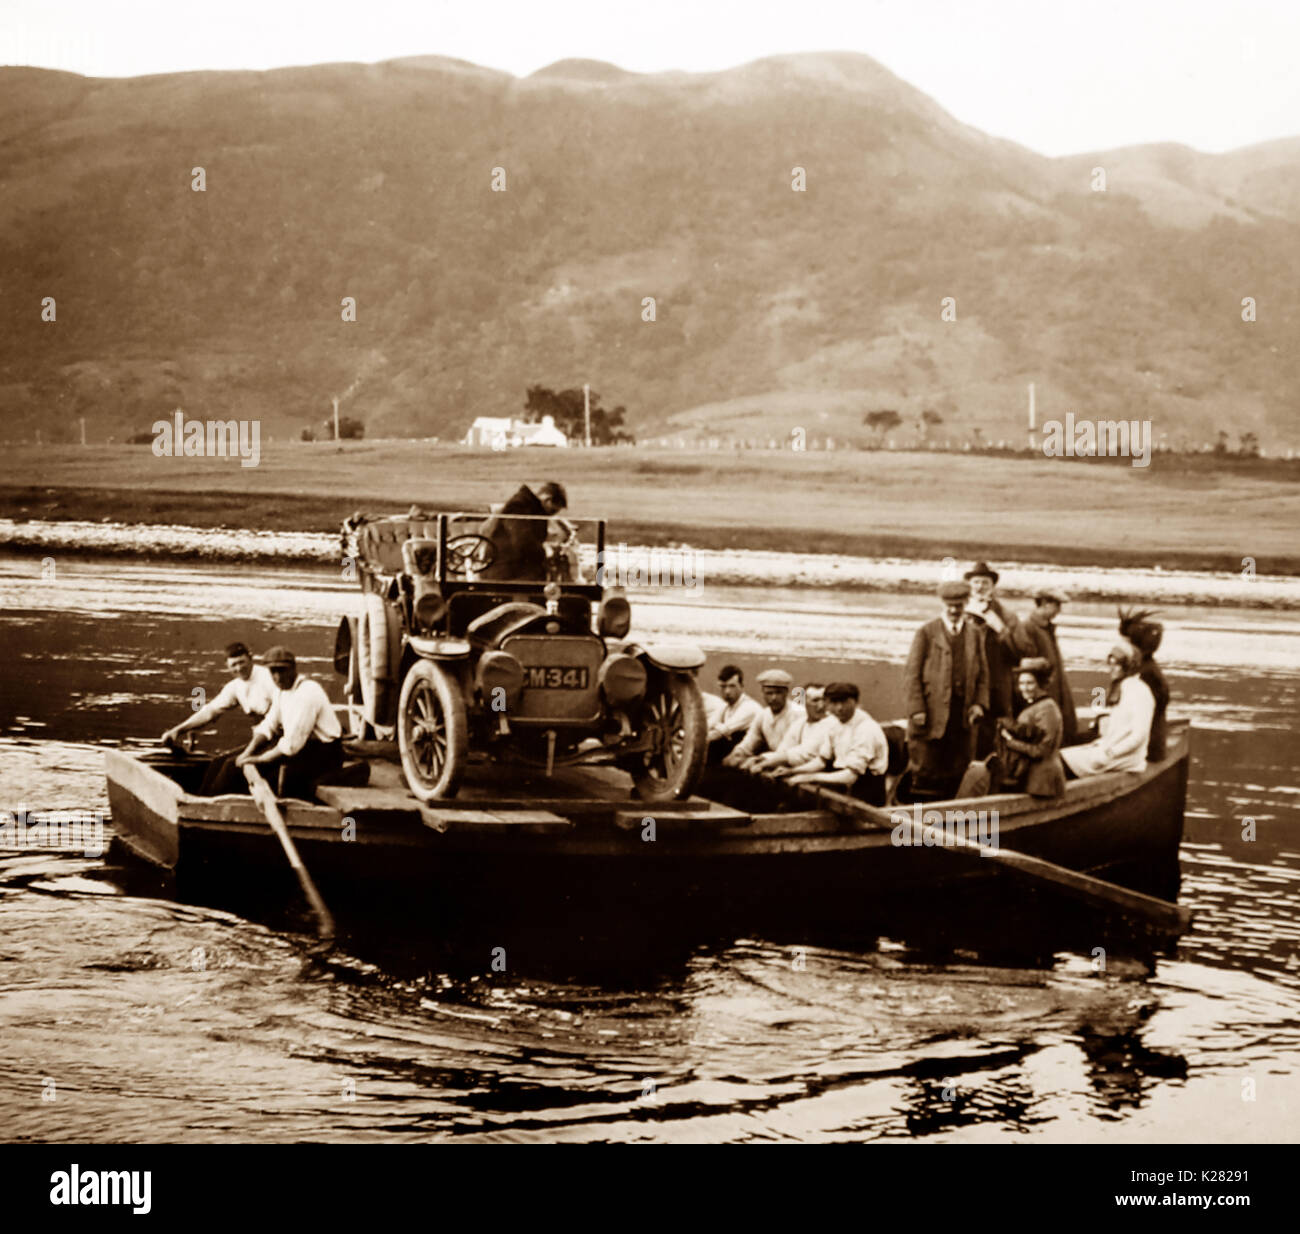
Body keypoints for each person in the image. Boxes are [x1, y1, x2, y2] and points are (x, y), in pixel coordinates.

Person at [204, 646, 344, 798]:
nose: (278, 677)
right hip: (301, 749)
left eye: (282, 670)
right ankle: (203, 801)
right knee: (222, 763)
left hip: (323, 755)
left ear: (293, 668)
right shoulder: (280, 691)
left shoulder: (307, 693)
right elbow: (268, 725)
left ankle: (213, 807)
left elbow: (291, 745)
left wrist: (258, 759)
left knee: (246, 773)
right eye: (273, 672)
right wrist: (247, 752)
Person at [904, 580, 990, 798]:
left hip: (962, 714)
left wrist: (979, 704)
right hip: (932, 713)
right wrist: (917, 710)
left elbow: (983, 676)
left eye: (959, 605)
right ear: (942, 604)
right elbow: (911, 674)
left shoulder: (974, 634)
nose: (954, 610)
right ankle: (920, 811)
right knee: (927, 765)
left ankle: (950, 809)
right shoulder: (926, 632)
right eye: (949, 605)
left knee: (958, 765)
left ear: (966, 604)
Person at [783, 682, 889, 805]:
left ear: (856, 702)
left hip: (866, 793)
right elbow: (822, 761)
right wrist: (793, 771)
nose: (839, 708)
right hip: (842, 789)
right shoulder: (835, 724)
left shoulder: (866, 729)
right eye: (834, 703)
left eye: (844, 702)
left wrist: (810, 777)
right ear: (827, 703)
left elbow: (850, 776)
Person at [1060, 640, 1155, 778]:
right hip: (1106, 748)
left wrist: (1111, 753)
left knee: (1057, 762)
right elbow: (1103, 721)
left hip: (1122, 757)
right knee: (1060, 752)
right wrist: (1098, 722)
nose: (1111, 669)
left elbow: (1139, 735)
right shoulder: (1116, 687)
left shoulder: (1140, 691)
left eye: (1116, 665)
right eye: (1110, 664)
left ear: (1128, 666)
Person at [162, 642, 275, 748]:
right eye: (234, 664)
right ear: (227, 666)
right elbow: (210, 712)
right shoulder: (235, 686)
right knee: (219, 764)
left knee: (229, 765)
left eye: (242, 662)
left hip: (277, 737)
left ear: (250, 659)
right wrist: (178, 730)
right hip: (262, 738)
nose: (239, 668)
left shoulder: (268, 677)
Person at [963, 562, 1021, 758]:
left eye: (985, 583)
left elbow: (1018, 653)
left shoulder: (1006, 614)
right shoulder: (959, 611)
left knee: (995, 728)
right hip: (968, 680)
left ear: (992, 586)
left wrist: (1000, 629)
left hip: (997, 682)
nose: (979, 587)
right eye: (976, 582)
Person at [1010, 587, 1078, 743]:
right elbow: (1024, 663)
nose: (1058, 611)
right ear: (1045, 604)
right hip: (1042, 692)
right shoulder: (1028, 627)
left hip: (1053, 690)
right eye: (1057, 606)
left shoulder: (1046, 628)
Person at [996, 658, 1066, 798]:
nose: (1024, 688)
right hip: (1029, 775)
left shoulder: (1047, 708)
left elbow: (1041, 751)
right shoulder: (1035, 705)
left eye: (1030, 683)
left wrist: (1009, 741)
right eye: (1021, 683)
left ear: (1040, 684)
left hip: (1042, 782)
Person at [478, 481, 568, 581]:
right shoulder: (519, 506)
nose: (552, 515)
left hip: (514, 569)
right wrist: (546, 552)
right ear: (548, 500)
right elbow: (522, 541)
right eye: (553, 511)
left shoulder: (533, 508)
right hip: (507, 573)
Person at [724, 669, 806, 769]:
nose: (773, 698)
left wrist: (759, 759)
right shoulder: (763, 715)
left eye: (778, 693)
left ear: (786, 693)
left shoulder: (798, 714)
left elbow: (787, 750)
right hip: (772, 760)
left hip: (795, 763)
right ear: (762, 693)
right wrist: (738, 753)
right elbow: (750, 741)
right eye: (769, 693)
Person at [1117, 607, 1169, 761]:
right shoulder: (1130, 667)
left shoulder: (1144, 675)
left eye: (1125, 642)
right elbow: (1099, 691)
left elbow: (1139, 723)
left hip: (1143, 747)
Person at [706, 665, 762, 763]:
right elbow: (707, 726)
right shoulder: (724, 707)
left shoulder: (749, 707)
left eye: (732, 686)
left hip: (751, 755)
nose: (727, 691)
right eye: (723, 687)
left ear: (742, 686)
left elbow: (719, 733)